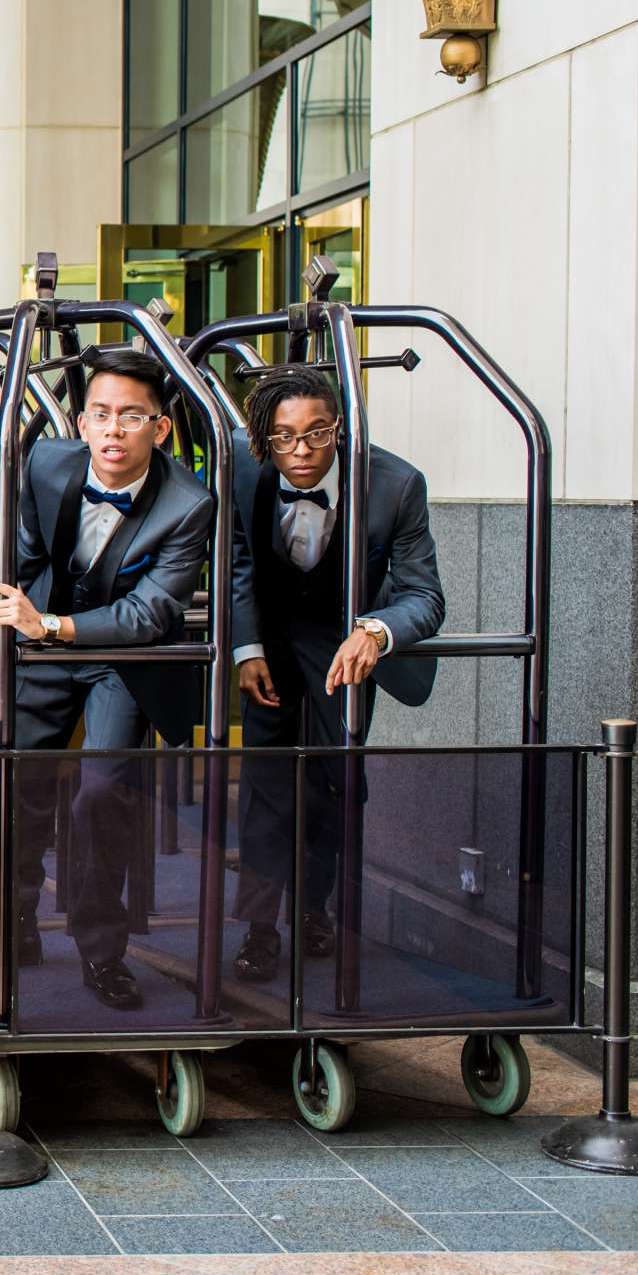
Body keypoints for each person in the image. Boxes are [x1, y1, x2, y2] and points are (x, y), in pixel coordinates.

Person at [0, 346, 214, 1011]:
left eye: (132, 418)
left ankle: (102, 951)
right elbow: (25, 555)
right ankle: (14, 923)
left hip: (124, 657)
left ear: (160, 429)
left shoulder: (188, 504)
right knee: (16, 779)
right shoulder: (47, 463)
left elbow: (150, 616)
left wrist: (50, 626)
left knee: (103, 792)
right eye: (102, 415)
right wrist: (26, 619)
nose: (114, 431)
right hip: (42, 640)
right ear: (81, 424)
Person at [228, 365, 444, 982]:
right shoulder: (245, 472)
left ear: (340, 428)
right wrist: (245, 649)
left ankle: (315, 908)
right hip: (269, 643)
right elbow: (239, 563)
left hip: (344, 641)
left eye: (317, 434)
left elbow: (425, 596)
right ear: (266, 437)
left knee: (338, 779)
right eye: (285, 436)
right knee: (266, 783)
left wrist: (375, 630)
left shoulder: (396, 485)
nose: (301, 451)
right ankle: (259, 927)